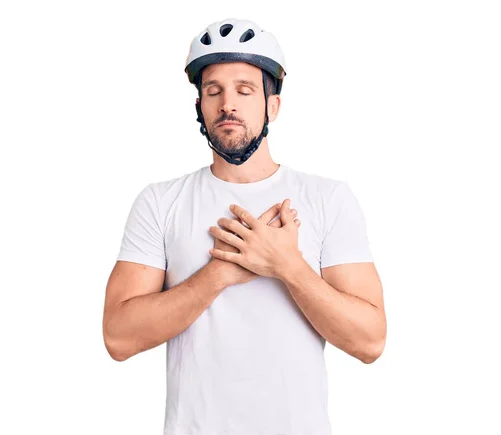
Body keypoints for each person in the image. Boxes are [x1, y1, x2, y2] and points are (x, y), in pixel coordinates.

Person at [102, 17, 386, 435]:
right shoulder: (160, 202)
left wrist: (286, 265)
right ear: (199, 104)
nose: (226, 104)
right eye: (213, 91)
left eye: (244, 90)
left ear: (273, 105)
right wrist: (220, 274)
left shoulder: (329, 199)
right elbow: (118, 339)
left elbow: (370, 343)